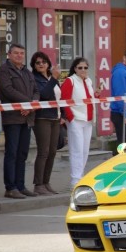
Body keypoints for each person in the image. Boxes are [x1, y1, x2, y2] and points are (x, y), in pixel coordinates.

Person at [0, 44, 39, 199]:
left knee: (22, 153)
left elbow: (36, 91)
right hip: (13, 117)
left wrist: (31, 105)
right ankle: (10, 187)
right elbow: (8, 90)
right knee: (12, 152)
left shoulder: (27, 72)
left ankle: (21, 186)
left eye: (22, 53)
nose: (19, 56)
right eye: (16, 53)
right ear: (9, 54)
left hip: (27, 117)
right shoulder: (4, 70)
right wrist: (28, 103)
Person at [30, 52, 62, 195]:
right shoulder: (34, 79)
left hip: (55, 117)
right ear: (34, 66)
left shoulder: (50, 78)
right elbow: (44, 95)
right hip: (42, 118)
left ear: (48, 63)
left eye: (43, 62)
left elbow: (59, 97)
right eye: (38, 62)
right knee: (43, 151)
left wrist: (63, 115)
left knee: (52, 152)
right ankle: (38, 184)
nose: (41, 64)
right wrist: (54, 78)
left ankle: (46, 182)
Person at [60, 57, 95, 188]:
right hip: (76, 119)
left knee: (85, 150)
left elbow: (89, 98)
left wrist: (96, 95)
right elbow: (64, 99)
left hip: (88, 119)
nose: (83, 70)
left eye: (85, 67)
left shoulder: (89, 81)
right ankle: (75, 180)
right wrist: (71, 118)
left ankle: (80, 176)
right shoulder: (70, 81)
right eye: (80, 67)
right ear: (75, 69)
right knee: (77, 150)